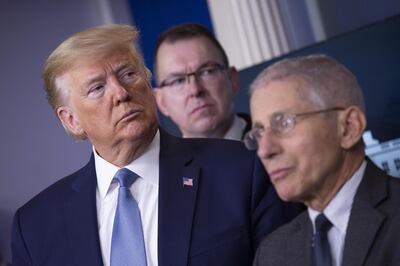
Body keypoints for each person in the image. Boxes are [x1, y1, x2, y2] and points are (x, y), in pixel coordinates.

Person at [11, 24, 298, 266]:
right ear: (71, 120)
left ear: (149, 85)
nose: (121, 93)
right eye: (98, 88)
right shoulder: (34, 226)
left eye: (128, 74)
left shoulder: (243, 171)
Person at [245, 54, 400, 266]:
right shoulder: (272, 254)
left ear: (348, 128)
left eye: (284, 123)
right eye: (259, 132)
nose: (264, 150)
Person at [153, 23, 251, 140]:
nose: (195, 90)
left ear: (232, 79)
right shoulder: (161, 158)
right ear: (161, 102)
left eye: (207, 72)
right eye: (178, 81)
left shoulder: (274, 143)